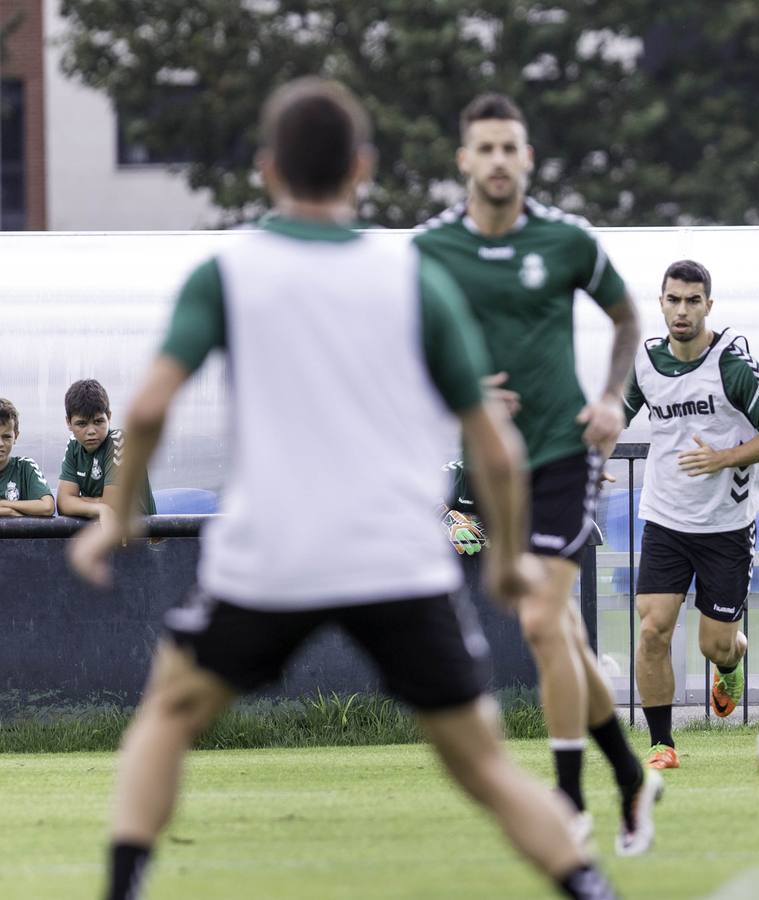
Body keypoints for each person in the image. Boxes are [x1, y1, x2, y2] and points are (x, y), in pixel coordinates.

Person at [67, 78, 618, 900]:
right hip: (396, 558)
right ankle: (589, 887)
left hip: (270, 559)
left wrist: (116, 518)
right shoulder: (413, 278)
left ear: (266, 171)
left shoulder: (228, 272)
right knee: (486, 768)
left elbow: (145, 406)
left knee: (169, 717)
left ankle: (121, 888)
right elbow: (495, 450)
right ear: (361, 169)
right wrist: (504, 559)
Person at [415, 93, 659, 854]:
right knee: (568, 636)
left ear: (526, 158)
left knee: (539, 620)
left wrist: (613, 399)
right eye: (483, 148)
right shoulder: (430, 250)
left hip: (563, 452)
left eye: (508, 148)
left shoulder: (565, 241)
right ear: (464, 160)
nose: (496, 161)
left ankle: (568, 800)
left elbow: (625, 317)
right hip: (491, 468)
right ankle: (629, 775)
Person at [622, 260, 759, 769]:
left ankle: (730, 664)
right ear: (661, 303)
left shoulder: (734, 367)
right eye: (673, 299)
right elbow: (613, 416)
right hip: (665, 520)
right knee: (652, 629)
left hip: (726, 525)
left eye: (693, 301)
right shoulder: (646, 363)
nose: (682, 310)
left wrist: (721, 459)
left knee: (714, 645)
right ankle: (660, 744)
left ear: (708, 306)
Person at [58, 379, 157, 520]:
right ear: (68, 422)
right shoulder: (74, 444)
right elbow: (63, 503)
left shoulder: (119, 440)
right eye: (82, 424)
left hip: (141, 536)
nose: (91, 431)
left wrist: (79, 501)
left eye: (98, 421)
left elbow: (113, 507)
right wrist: (100, 505)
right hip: (102, 530)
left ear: (109, 416)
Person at [0, 398, 56, 517]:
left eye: (6, 437)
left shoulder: (25, 467)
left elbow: (47, 507)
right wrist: (9, 512)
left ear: (16, 436)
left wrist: (4, 503)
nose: (0, 443)